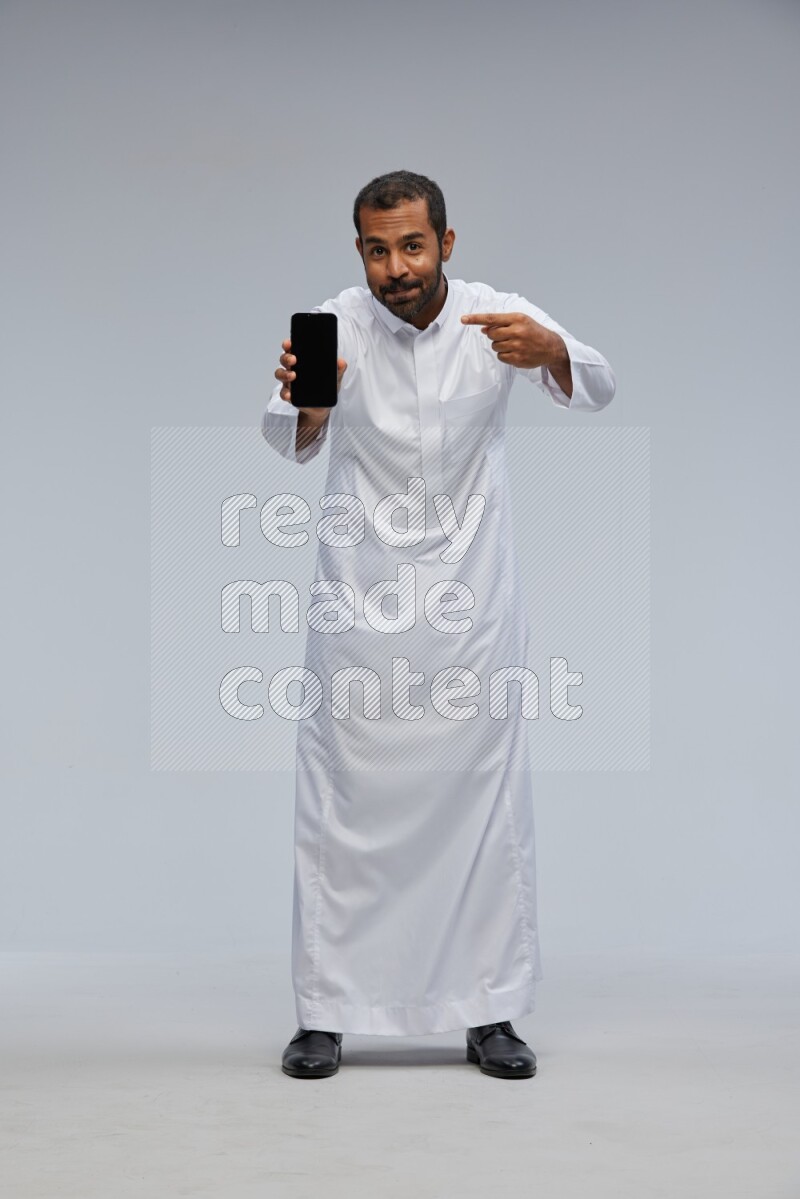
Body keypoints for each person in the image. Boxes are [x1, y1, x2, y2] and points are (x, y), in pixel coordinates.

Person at [261, 170, 616, 1080]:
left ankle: (490, 1010)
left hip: (471, 607)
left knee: (485, 809)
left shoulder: (496, 318)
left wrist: (552, 353)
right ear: (360, 254)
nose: (396, 267)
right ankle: (325, 1011)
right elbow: (288, 434)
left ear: (446, 244)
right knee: (339, 809)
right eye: (378, 249)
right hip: (360, 604)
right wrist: (311, 403)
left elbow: (601, 383)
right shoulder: (331, 322)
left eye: (412, 245)